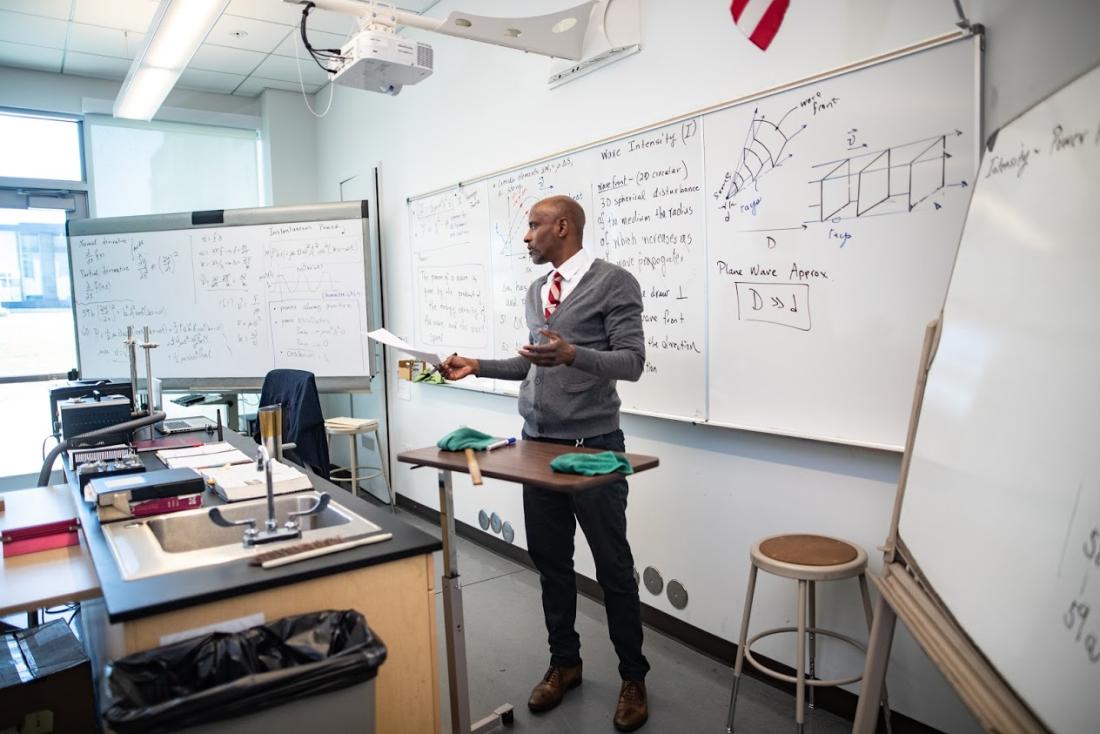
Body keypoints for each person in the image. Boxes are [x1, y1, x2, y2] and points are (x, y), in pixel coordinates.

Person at [441, 195, 650, 731]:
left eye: (534, 226)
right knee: (551, 563)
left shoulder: (614, 282)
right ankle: (565, 663)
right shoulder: (539, 290)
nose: (527, 236)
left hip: (595, 447)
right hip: (537, 448)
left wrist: (574, 354)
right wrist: (477, 365)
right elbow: (531, 364)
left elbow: (632, 362)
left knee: (613, 568)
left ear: (563, 226)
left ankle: (633, 676)